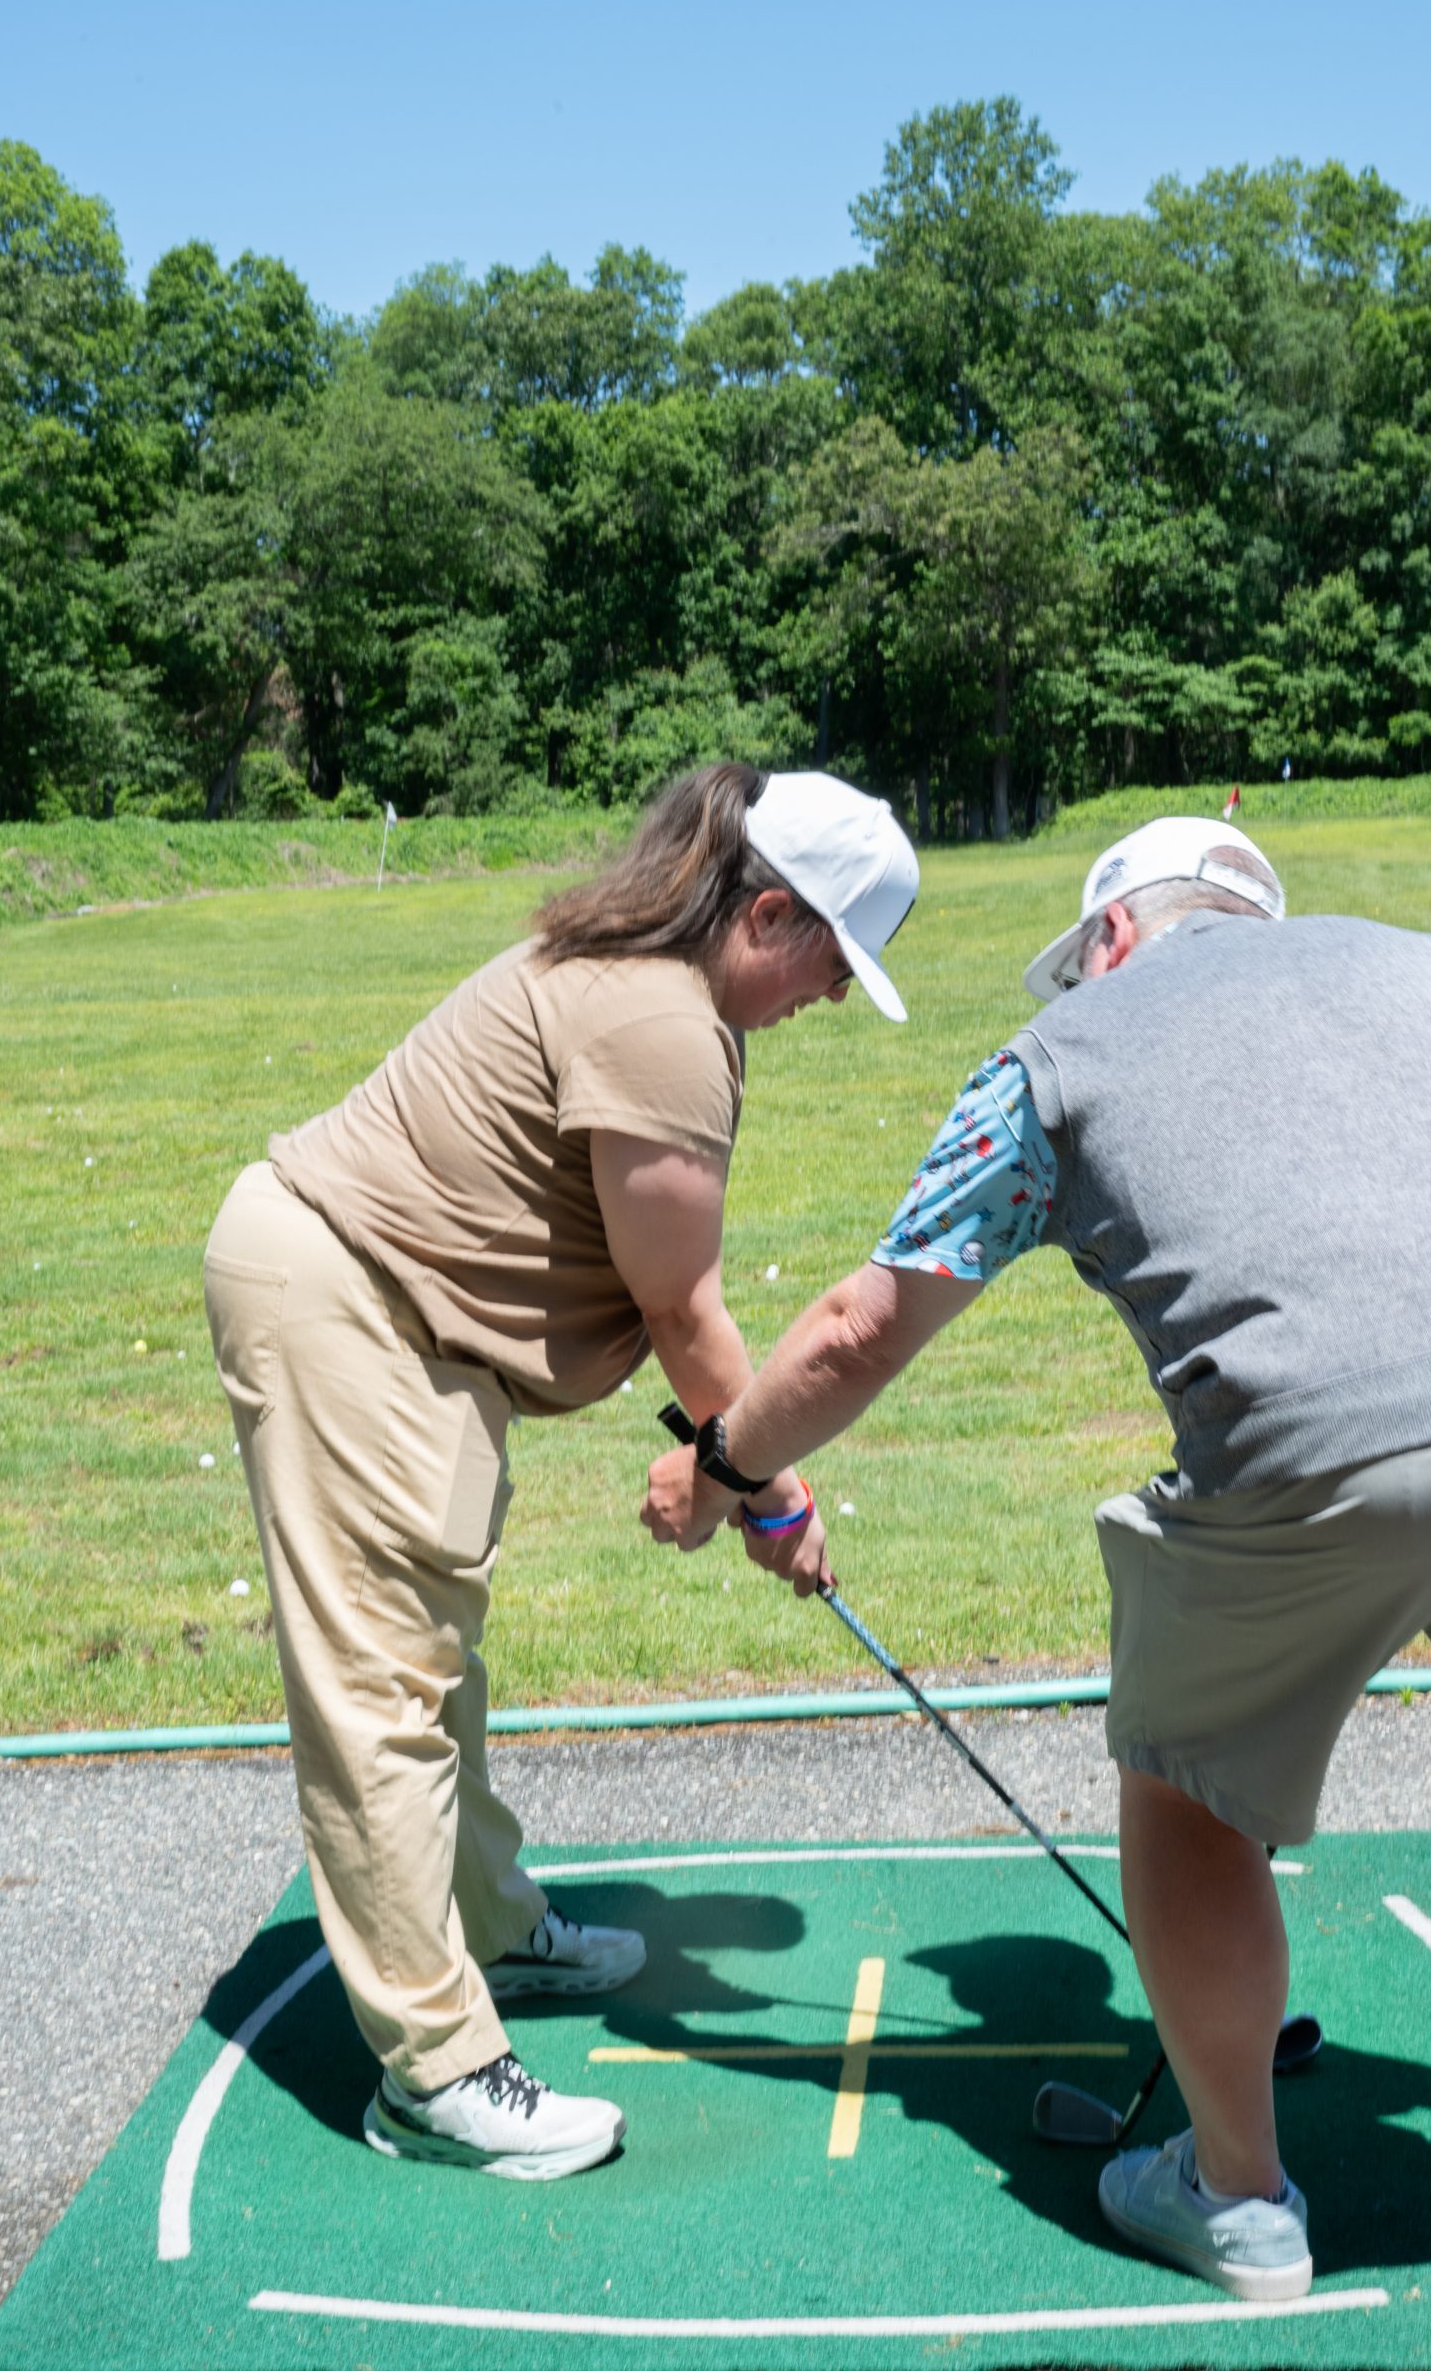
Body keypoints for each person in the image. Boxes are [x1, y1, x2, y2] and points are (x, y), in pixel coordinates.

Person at [642, 813, 1431, 2298]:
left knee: (1185, 1782)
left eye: (1084, 961)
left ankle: (1240, 2200)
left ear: (1116, 936)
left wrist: (724, 1466)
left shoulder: (1054, 1057)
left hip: (1320, 1438)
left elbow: (863, 1326)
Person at [204, 763, 918, 2184]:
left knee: (434, 1661)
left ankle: (489, 1928)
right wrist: (769, 1494)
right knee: (384, 1693)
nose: (836, 996)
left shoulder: (653, 985)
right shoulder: (666, 1024)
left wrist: (737, 1477)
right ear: (768, 915)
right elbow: (685, 1313)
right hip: (351, 1304)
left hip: (407, 1325)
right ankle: (436, 2071)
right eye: (838, 961)